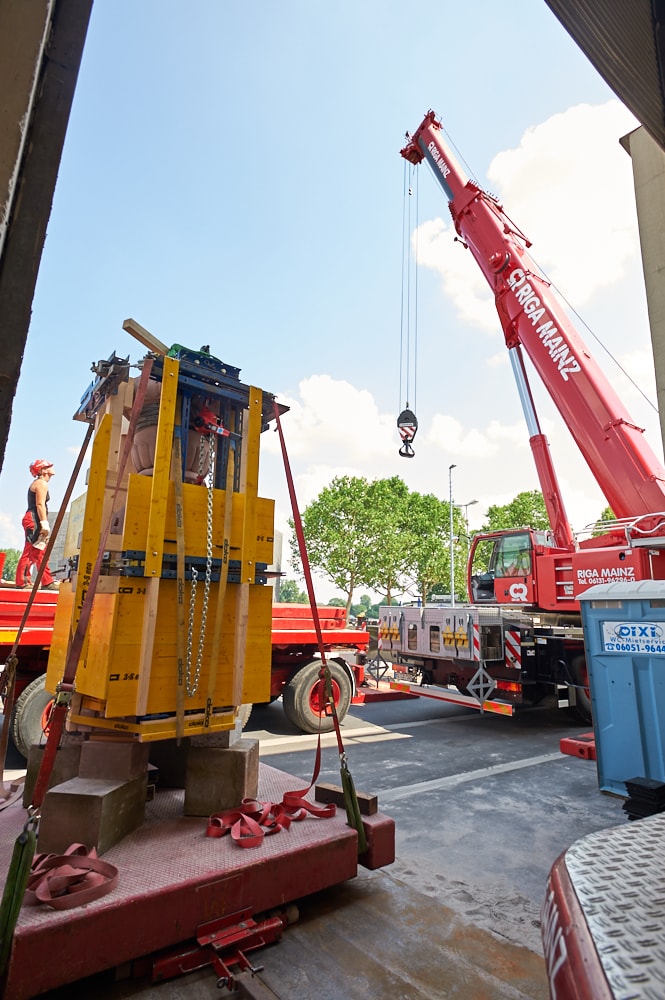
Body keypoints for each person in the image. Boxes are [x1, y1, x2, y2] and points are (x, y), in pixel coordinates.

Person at [15, 459, 58, 590]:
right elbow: (40, 504)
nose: (52, 467)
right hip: (34, 519)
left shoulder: (41, 483)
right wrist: (44, 523)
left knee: (41, 551)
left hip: (36, 519)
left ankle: (47, 581)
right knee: (31, 550)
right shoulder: (41, 483)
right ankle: (22, 582)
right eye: (49, 466)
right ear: (43, 470)